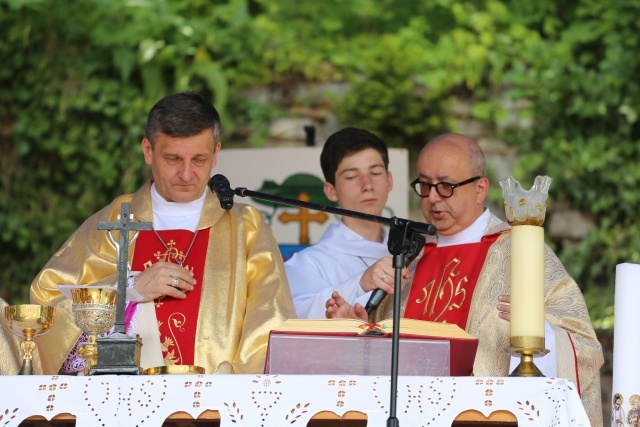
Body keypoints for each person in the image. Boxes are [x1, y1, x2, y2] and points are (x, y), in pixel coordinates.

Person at [326, 133, 604, 426]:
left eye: (446, 186)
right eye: (425, 185)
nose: (432, 198)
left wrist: (539, 331)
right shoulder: (409, 257)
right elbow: (385, 359)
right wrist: (356, 330)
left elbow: (584, 348)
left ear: (480, 189)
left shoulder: (521, 251)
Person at [30, 92, 296, 375]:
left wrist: (232, 385)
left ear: (216, 153)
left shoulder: (246, 227)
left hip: (214, 401)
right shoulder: (117, 219)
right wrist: (131, 288)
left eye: (199, 159)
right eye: (173, 159)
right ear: (148, 151)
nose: (186, 174)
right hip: (124, 401)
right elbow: (48, 299)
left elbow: (271, 319)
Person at [284, 127, 401, 318]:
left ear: (389, 181)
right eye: (352, 177)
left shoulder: (412, 256)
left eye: (376, 172)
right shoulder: (307, 264)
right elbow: (293, 316)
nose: (367, 185)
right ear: (331, 191)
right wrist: (360, 284)